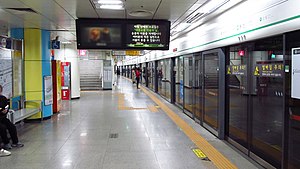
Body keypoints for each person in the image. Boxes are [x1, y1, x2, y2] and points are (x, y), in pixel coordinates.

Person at [0, 85, 23, 149]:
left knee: (12, 126)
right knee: (2, 128)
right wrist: (1, 110)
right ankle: (6, 143)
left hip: (2, 117)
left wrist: (5, 111)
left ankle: (15, 142)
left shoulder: (3, 98)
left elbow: (7, 106)